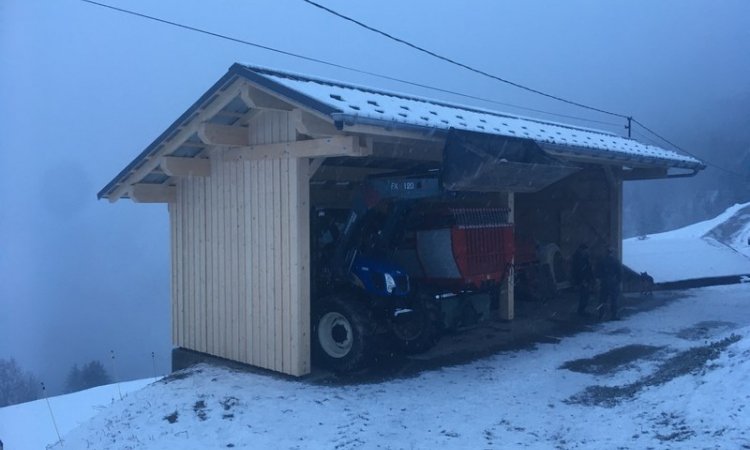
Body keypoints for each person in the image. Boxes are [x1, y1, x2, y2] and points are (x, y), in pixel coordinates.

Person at [596, 247, 623, 320]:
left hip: (604, 282)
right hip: (613, 283)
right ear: (612, 253)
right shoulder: (616, 261)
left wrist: (599, 280)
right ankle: (614, 315)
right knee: (614, 299)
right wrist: (618, 281)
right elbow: (620, 273)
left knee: (602, 299)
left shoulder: (601, 261)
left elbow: (597, 272)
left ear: (606, 253)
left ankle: (601, 314)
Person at [571, 244, 594, 316]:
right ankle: (581, 311)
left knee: (585, 295)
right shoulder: (578, 258)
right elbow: (578, 270)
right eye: (585, 250)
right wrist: (582, 280)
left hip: (585, 279)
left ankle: (582, 310)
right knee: (584, 295)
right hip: (583, 280)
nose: (587, 251)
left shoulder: (582, 257)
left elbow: (587, 269)